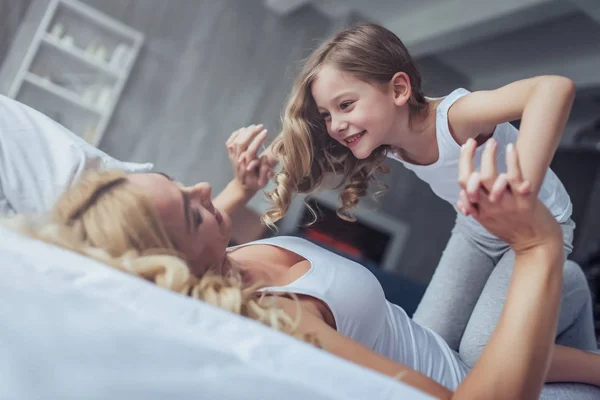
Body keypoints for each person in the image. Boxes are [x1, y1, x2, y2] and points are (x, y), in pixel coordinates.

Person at [8, 126, 600, 399]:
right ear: (175, 270)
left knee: (569, 283)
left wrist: (241, 189)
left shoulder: (226, 255)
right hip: (488, 385)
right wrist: (536, 243)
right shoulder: (282, 322)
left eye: (175, 183)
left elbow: (217, 220)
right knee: (556, 272)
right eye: (192, 213)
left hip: (432, 341)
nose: (204, 191)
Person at [262, 22, 597, 369]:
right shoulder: (386, 140)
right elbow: (307, 146)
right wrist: (266, 160)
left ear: (398, 90)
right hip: (477, 230)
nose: (335, 125)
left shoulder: (456, 117)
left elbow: (553, 88)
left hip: (537, 225)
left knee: (482, 354)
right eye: (327, 115)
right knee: (425, 348)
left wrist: (520, 184)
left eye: (345, 105)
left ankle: (590, 356)